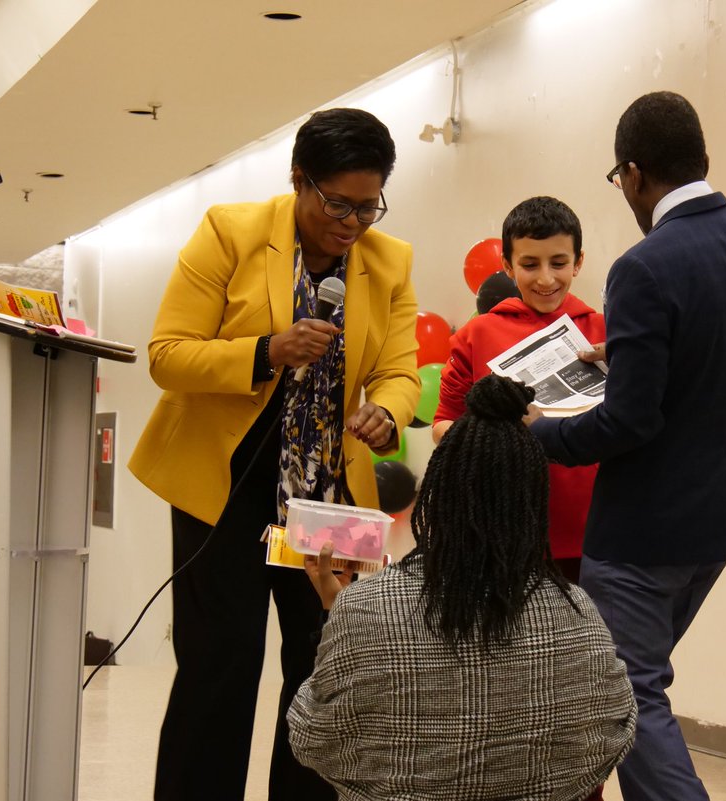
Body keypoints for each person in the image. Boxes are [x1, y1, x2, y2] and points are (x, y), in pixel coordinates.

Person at [128, 107, 421, 801]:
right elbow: (168, 355)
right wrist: (266, 351)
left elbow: (402, 370)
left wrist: (388, 412)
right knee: (219, 665)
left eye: (367, 206)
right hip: (226, 486)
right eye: (337, 203)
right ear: (299, 179)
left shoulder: (390, 262)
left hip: (329, 495)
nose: (351, 223)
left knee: (324, 667)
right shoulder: (229, 233)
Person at [529, 91, 726, 801]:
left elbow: (627, 426)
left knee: (628, 696)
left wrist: (537, 436)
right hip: (714, 525)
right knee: (623, 687)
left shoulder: (644, 266)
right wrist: (637, 361)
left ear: (634, 173)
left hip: (640, 532)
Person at [288, 375, 638, 801]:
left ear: (438, 491)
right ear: (533, 500)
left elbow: (312, 737)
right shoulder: (576, 613)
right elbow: (616, 731)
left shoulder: (365, 609)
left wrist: (334, 615)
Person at [433, 196, 604, 584]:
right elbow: (443, 423)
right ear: (508, 266)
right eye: (529, 264)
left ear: (578, 262)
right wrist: (487, 436)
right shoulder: (477, 335)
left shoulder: (604, 331)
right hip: (502, 530)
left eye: (558, 263)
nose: (545, 279)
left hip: (594, 531)